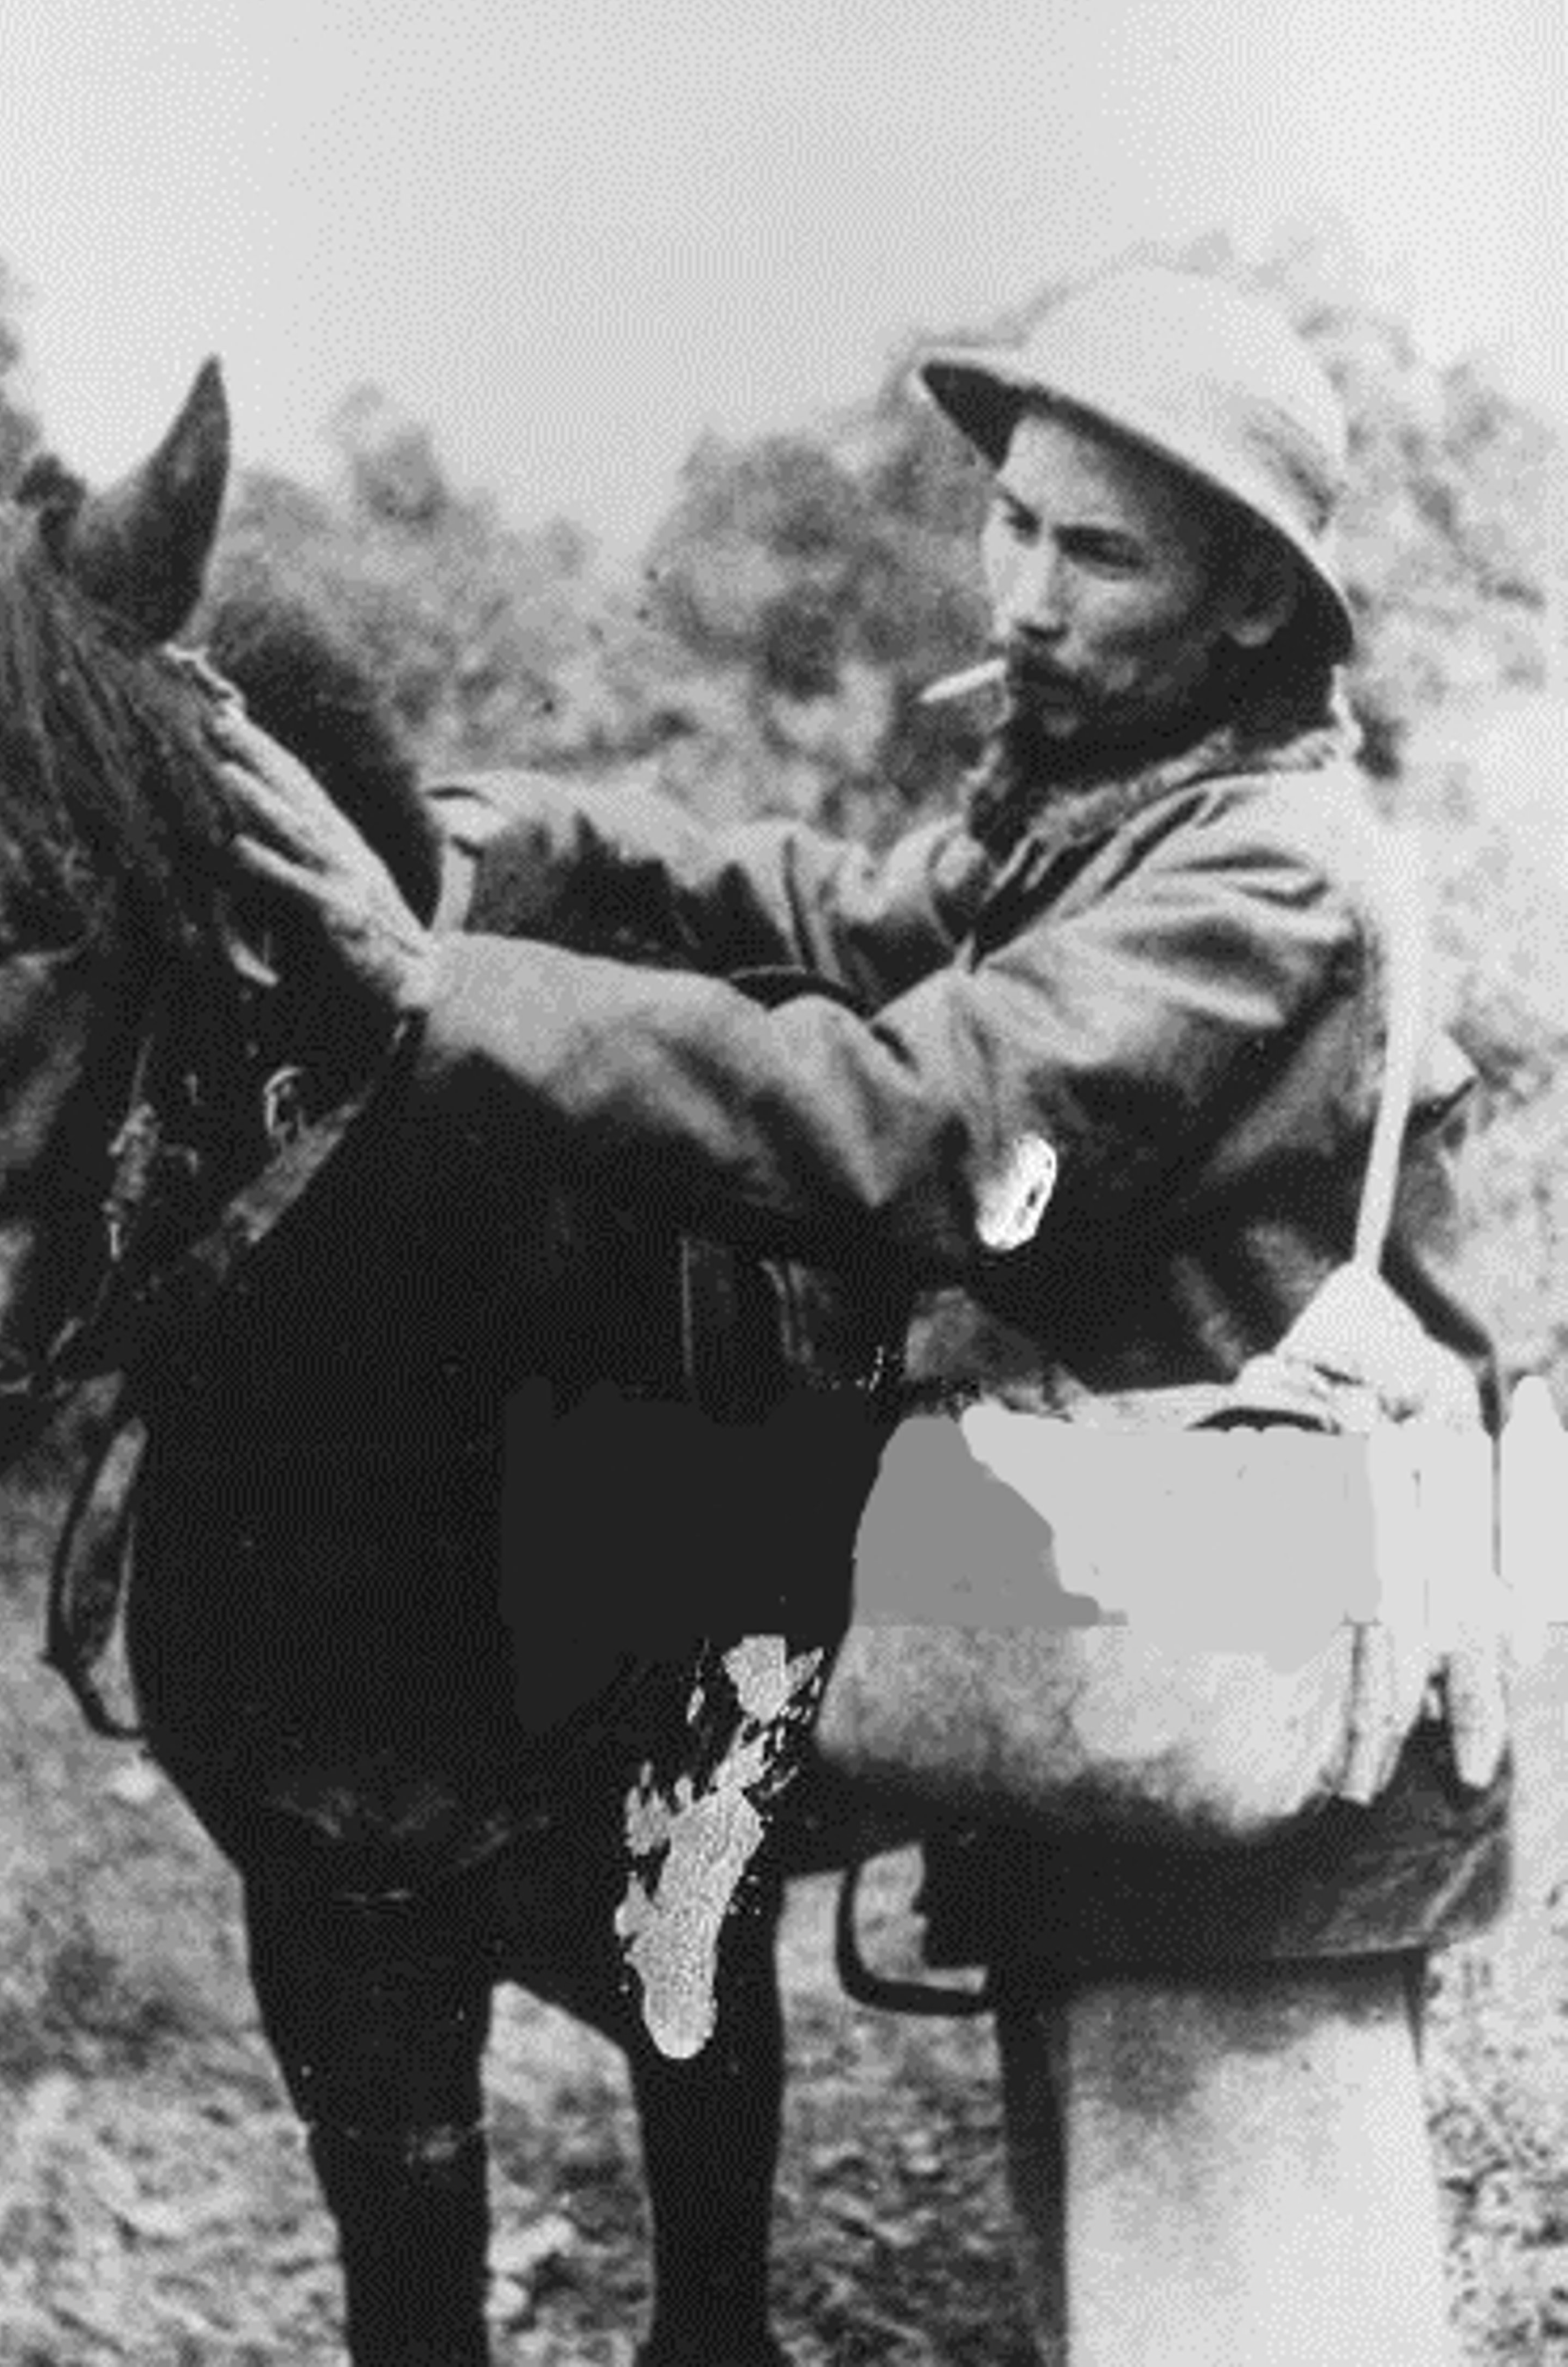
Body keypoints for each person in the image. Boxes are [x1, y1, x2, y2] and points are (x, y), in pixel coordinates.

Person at [211, 264, 1512, 2366]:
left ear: (1257, 603)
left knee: (1245, 2305)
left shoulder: (1255, 880)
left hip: (1247, 1644)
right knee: (1125, 2270)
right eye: (1015, 520)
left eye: (1102, 551)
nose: (1027, 594)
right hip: (1151, 1648)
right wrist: (534, 835)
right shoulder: (1111, 821)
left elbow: (935, 1123)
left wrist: (438, 990)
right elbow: (831, 908)